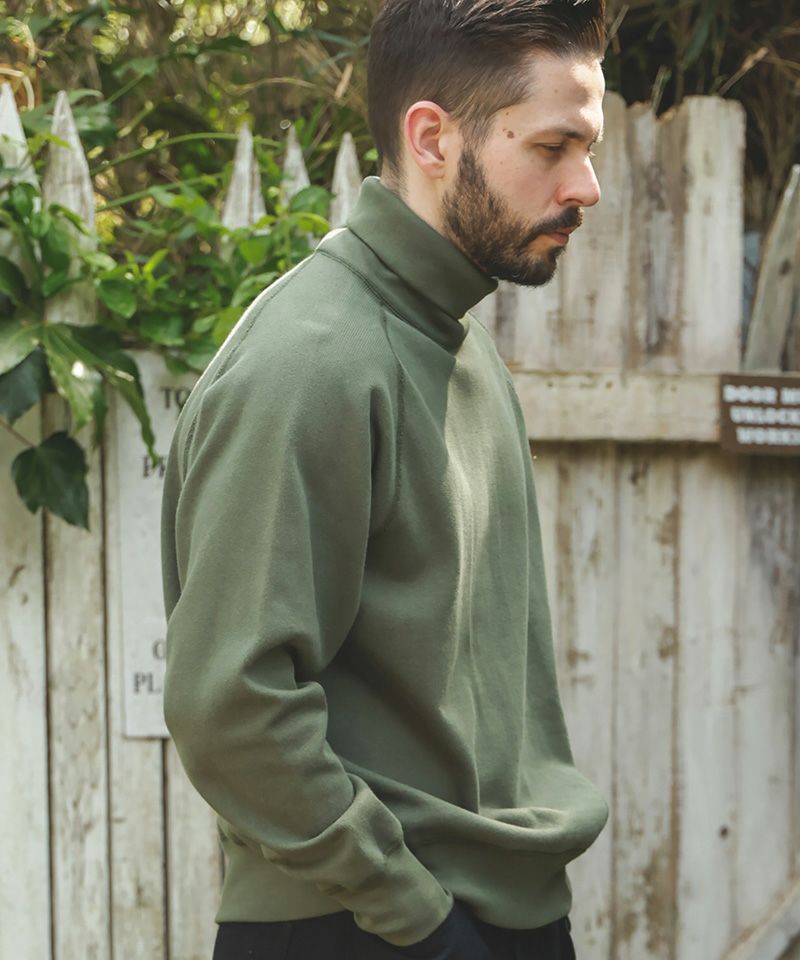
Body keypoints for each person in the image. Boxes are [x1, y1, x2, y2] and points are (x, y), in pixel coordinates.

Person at [160, 1, 610, 957]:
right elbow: (229, 704)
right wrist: (419, 918)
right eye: (553, 146)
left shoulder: (460, 348)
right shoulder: (313, 360)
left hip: (492, 913)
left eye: (589, 148)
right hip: (371, 926)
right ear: (433, 138)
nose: (587, 185)